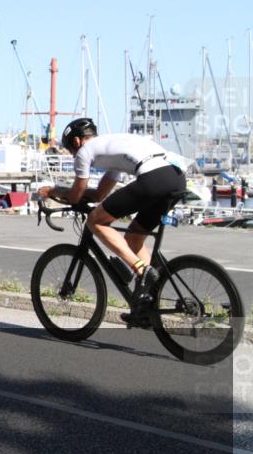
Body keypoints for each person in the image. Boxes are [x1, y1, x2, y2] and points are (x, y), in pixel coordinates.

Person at [37, 118, 186, 325]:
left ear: (78, 141)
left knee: (95, 221)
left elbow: (75, 196)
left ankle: (140, 269)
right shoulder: (112, 146)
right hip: (176, 176)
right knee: (133, 237)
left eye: (71, 148)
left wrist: (54, 191)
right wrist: (72, 195)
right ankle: (147, 303)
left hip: (154, 176)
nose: (73, 154)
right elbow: (99, 194)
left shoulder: (84, 152)